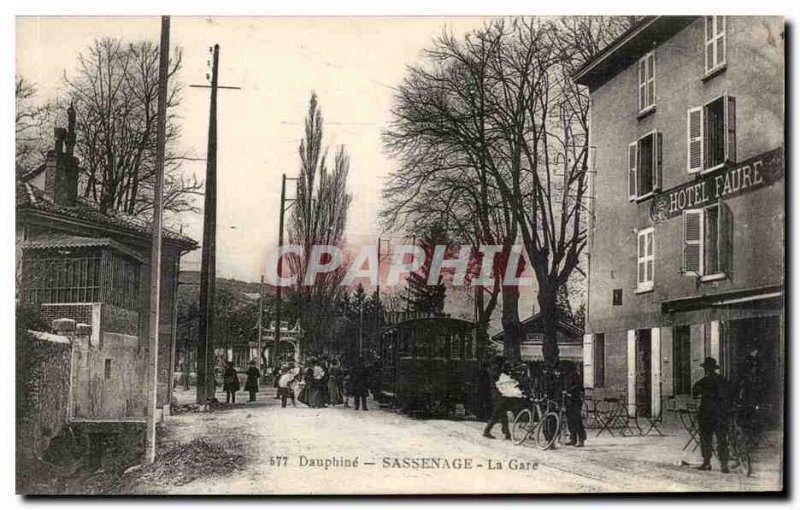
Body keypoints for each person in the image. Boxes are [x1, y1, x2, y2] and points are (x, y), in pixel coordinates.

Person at [692, 357, 730, 473]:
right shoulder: (722, 380)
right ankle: (724, 465)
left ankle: (707, 462)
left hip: (706, 413)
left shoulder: (704, 381)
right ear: (714, 368)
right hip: (721, 413)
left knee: (706, 438)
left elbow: (695, 392)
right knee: (722, 439)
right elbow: (729, 394)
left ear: (706, 369)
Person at [483, 357, 518, 440]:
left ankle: (507, 433)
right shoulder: (495, 370)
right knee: (498, 412)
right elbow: (499, 379)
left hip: (498, 392)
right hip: (498, 392)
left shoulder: (493, 369)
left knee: (502, 412)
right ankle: (487, 430)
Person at [560, 360, 586, 447]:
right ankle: (573, 438)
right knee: (570, 420)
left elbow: (579, 387)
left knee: (577, 419)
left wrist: (568, 391)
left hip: (575, 400)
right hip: (568, 400)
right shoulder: (565, 376)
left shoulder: (575, 375)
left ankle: (581, 439)